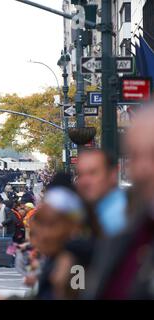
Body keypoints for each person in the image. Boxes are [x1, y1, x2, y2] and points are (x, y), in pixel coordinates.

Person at [84, 106, 154, 299]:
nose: (142, 169)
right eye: (134, 156)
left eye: (152, 154)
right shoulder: (131, 234)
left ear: (112, 175)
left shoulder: (117, 218)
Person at [76, 149, 127, 236]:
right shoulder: (95, 211)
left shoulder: (118, 216)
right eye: (80, 174)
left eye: (93, 173)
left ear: (112, 175)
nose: (84, 181)